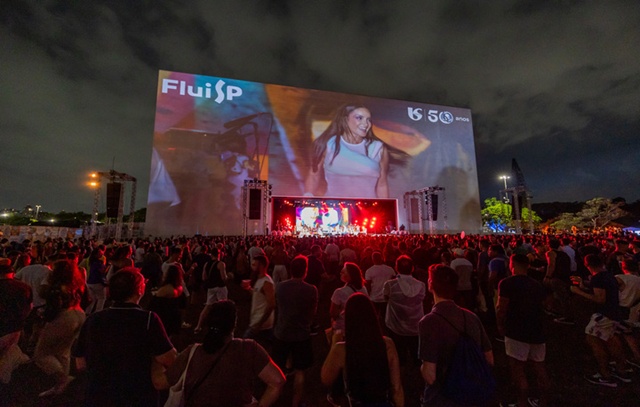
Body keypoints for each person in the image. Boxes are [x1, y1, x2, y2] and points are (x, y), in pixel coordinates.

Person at [73, 267, 177, 406]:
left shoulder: (94, 319)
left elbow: (80, 364)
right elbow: (169, 358)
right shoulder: (148, 320)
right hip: (136, 395)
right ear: (139, 290)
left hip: (98, 394)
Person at [163, 300, 285, 406]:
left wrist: (155, 355)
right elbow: (277, 381)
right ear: (234, 324)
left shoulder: (192, 353)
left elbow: (161, 382)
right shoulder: (248, 349)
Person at [419, 264, 494, 406]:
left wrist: (421, 368)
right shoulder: (471, 317)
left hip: (442, 397)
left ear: (430, 285)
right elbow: (489, 359)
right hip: (472, 393)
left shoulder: (429, 322)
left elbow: (430, 376)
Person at [570, 254, 632, 387]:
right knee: (611, 341)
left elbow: (600, 299)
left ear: (587, 265)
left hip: (604, 315)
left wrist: (577, 291)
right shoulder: (608, 275)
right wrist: (583, 283)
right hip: (614, 313)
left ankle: (605, 375)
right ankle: (621, 370)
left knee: (593, 340)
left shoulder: (598, 278)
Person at [496, 254, 549, 407]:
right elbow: (543, 305)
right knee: (539, 366)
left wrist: (500, 325)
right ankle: (543, 401)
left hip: (516, 330)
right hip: (537, 329)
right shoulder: (537, 284)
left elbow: (501, 308)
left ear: (512, 265)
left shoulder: (506, 283)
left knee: (517, 367)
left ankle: (522, 402)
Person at [305, 105, 390, 199]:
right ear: (345, 119)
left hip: (368, 210)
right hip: (333, 209)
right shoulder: (327, 145)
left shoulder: (378, 148)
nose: (366, 124)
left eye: (368, 120)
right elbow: (314, 176)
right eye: (359, 118)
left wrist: (385, 209)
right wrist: (307, 200)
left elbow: (382, 184)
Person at [34, 259, 86, 397]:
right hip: (79, 313)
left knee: (41, 353)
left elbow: (51, 304)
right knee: (62, 351)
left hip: (64, 317)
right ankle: (60, 387)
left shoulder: (57, 287)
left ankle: (63, 380)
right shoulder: (77, 284)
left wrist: (44, 316)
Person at [273, 255, 318, 407]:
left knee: (278, 369)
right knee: (300, 371)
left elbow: (278, 307)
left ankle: (275, 397)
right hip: (301, 334)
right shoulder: (311, 290)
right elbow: (312, 313)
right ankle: (296, 403)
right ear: (305, 271)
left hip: (282, 332)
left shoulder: (280, 287)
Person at [383, 255, 426, 367]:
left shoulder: (390, 285)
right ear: (412, 268)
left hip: (396, 324)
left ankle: (400, 374)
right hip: (415, 324)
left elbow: (385, 298)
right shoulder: (421, 286)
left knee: (398, 354)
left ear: (396, 268)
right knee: (416, 354)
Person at [0, 258, 32, 385]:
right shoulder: (24, 287)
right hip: (15, 327)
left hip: (3, 327)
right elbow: (29, 307)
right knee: (7, 353)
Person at [330, 262, 369, 338]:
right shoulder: (363, 289)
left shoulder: (339, 292)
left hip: (343, 326)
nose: (340, 273)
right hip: (359, 325)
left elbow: (333, 313)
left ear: (350, 276)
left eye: (343, 272)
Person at [194, 247, 228, 334]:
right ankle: (223, 326)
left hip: (211, 288)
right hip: (220, 287)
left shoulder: (206, 264)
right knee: (223, 306)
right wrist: (228, 277)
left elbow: (203, 277)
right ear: (219, 254)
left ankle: (198, 326)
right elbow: (223, 278)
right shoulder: (221, 264)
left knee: (207, 307)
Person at [244, 254, 276, 344]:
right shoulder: (259, 279)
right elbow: (258, 294)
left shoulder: (267, 282)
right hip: (257, 322)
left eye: (254, 265)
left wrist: (259, 324)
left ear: (261, 265)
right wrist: (248, 289)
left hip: (261, 325)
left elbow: (271, 304)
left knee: (245, 346)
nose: (252, 267)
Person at [148, 264, 184, 338]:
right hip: (174, 314)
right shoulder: (179, 287)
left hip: (164, 314)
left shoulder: (166, 288)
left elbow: (155, 303)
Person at [365, 251, 397, 325]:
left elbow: (368, 285)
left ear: (373, 259)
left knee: (374, 317)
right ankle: (386, 330)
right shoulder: (389, 269)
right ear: (381, 258)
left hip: (374, 297)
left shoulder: (369, 271)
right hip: (387, 297)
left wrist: (367, 295)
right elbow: (394, 282)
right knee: (386, 316)